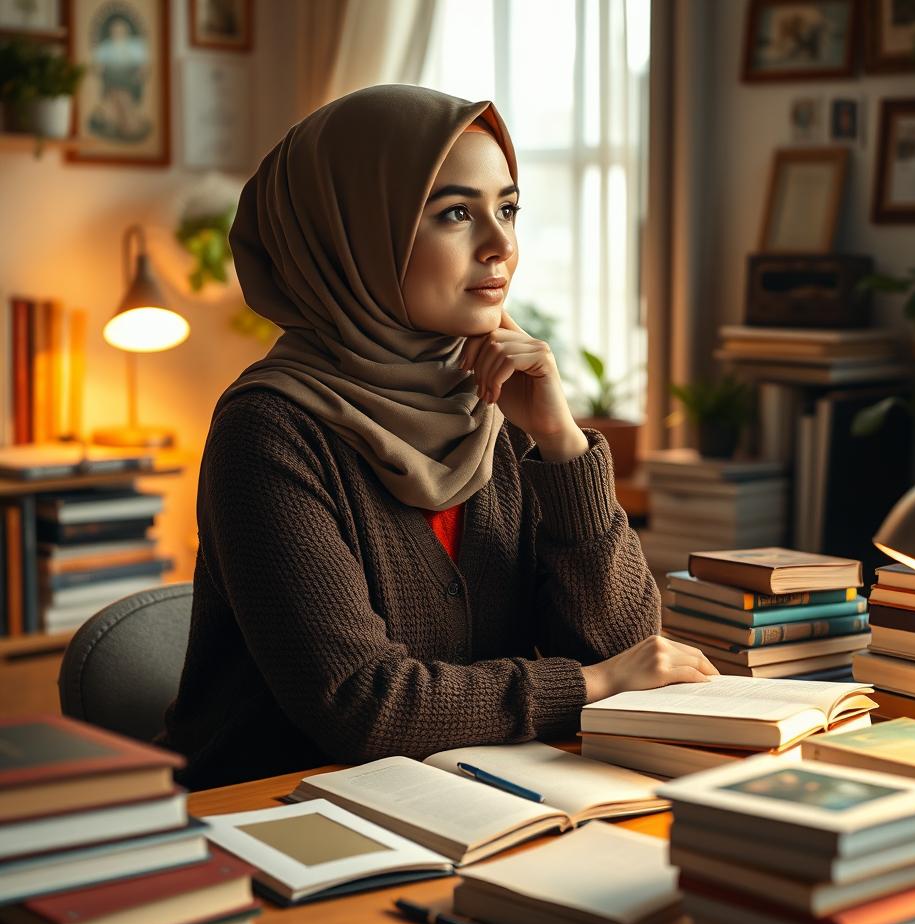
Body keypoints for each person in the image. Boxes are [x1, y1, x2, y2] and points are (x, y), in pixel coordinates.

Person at [161, 84, 716, 790]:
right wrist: (587, 684)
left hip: (472, 796)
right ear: (353, 234)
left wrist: (559, 439)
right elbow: (363, 705)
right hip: (274, 812)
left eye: (508, 209)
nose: (501, 245)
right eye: (456, 213)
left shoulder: (499, 408)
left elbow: (628, 649)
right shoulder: (270, 430)